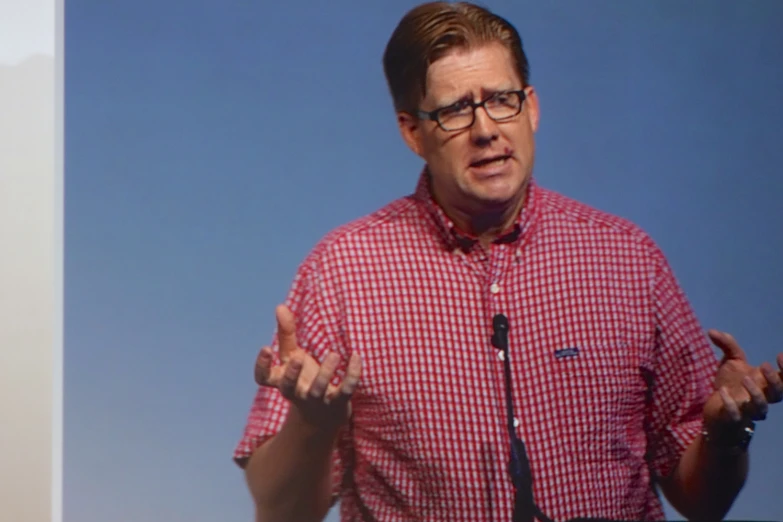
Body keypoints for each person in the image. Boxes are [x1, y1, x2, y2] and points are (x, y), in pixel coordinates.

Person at [233, 3, 783, 521]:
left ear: (533, 107)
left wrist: (726, 434)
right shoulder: (344, 270)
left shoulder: (629, 259)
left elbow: (701, 504)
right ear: (412, 132)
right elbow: (280, 511)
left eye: (501, 99)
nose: (485, 129)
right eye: (453, 110)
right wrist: (312, 424)